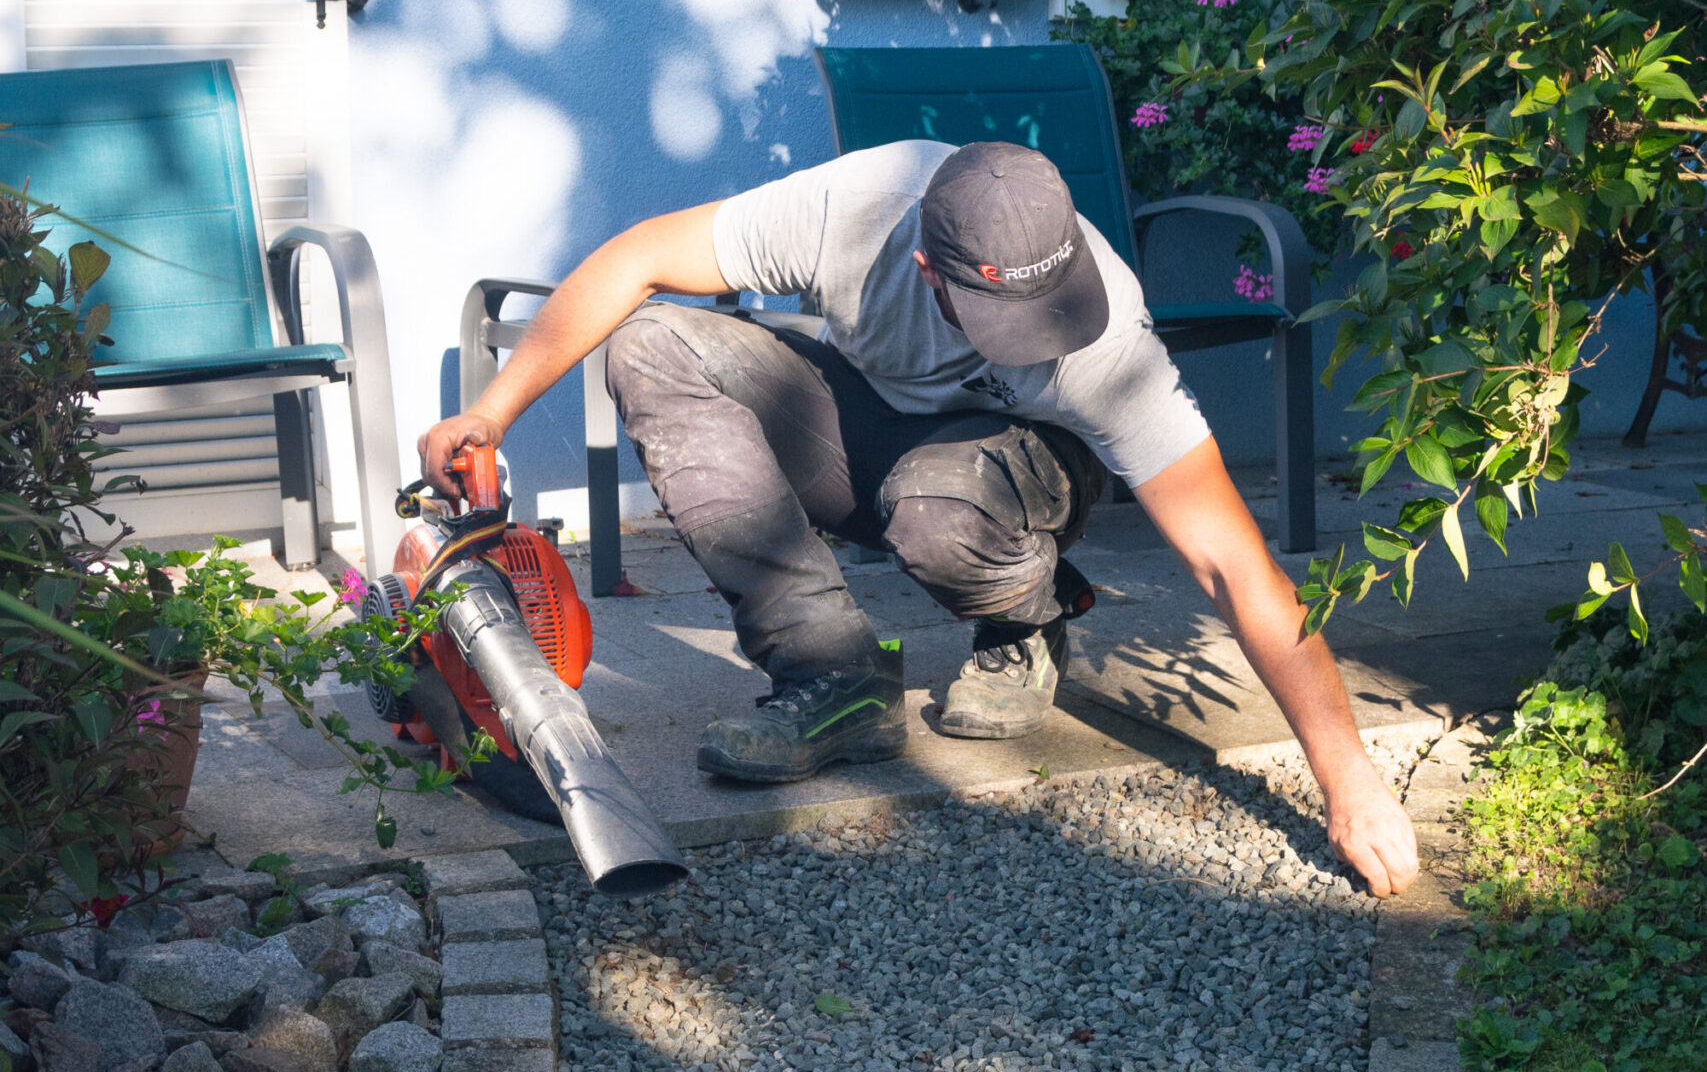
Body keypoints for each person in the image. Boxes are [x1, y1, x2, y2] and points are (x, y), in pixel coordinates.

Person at [419, 139, 1419, 897]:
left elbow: (1232, 565)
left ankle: (1024, 619)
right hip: (876, 436)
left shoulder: (1107, 340)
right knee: (653, 344)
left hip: (1011, 478)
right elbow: (636, 256)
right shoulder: (857, 210)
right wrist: (491, 412)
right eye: (1001, 319)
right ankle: (833, 675)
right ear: (928, 267)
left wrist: (1350, 780)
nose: (1035, 339)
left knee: (938, 508)